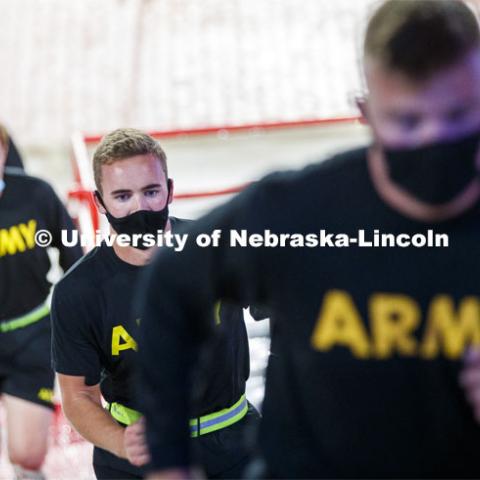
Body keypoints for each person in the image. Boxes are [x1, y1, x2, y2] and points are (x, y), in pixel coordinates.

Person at [136, 1, 480, 478]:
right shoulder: (295, 213)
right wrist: (169, 459)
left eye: (458, 115)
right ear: (367, 113)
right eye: (408, 121)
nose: (433, 138)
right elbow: (170, 285)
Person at [51, 128, 261, 479]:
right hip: (136, 456)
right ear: (100, 203)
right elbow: (77, 395)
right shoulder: (79, 291)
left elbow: (292, 312)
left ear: (170, 190)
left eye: (151, 191)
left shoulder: (219, 251)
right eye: (122, 196)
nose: (140, 208)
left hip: (235, 446)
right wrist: (121, 443)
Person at [0, 124, 82, 479]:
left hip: (30, 334)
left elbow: (75, 261)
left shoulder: (37, 195)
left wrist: (82, 326)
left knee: (27, 456)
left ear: (4, 151)